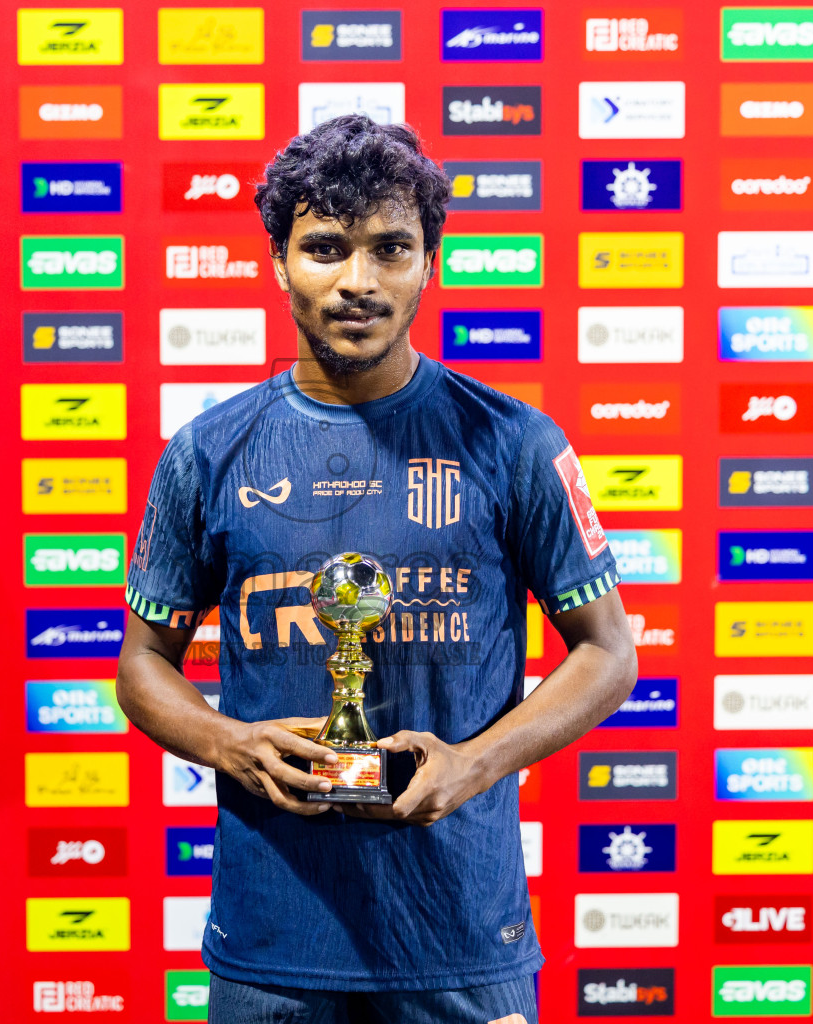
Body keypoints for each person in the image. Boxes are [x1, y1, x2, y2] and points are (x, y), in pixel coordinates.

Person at [117, 114, 637, 1024]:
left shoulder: (515, 445)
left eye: (390, 249)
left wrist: (474, 764)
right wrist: (223, 742)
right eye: (325, 248)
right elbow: (142, 664)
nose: (357, 281)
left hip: (462, 938)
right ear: (279, 262)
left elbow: (608, 653)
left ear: (429, 262)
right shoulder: (205, 452)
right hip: (273, 945)